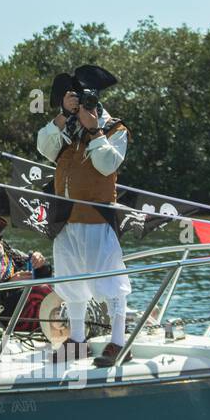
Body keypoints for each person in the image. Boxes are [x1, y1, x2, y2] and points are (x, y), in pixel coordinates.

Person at [36, 65, 131, 367]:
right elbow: (43, 147)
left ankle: (119, 342)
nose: (82, 103)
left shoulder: (115, 129)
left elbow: (107, 165)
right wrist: (64, 114)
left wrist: (94, 129)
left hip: (97, 218)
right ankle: (77, 340)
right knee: (70, 282)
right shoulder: (67, 131)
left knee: (111, 282)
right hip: (66, 219)